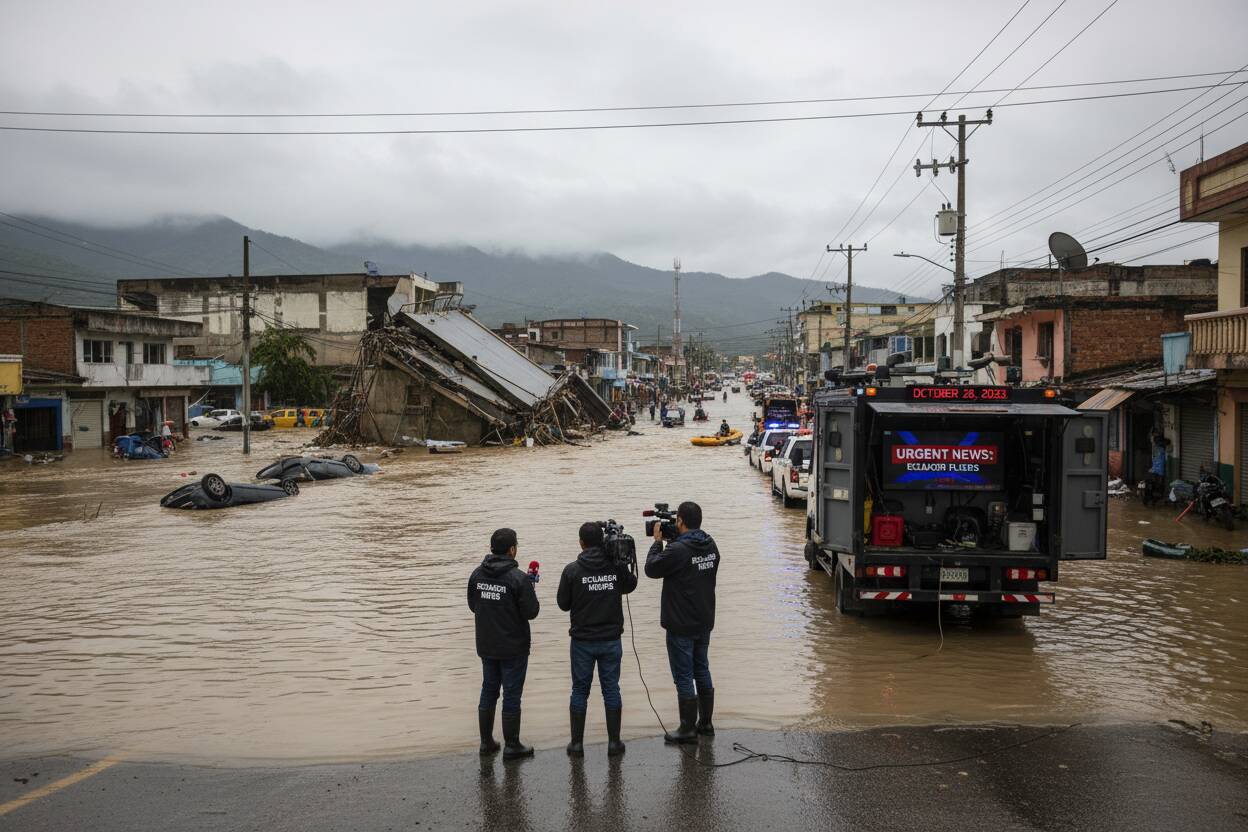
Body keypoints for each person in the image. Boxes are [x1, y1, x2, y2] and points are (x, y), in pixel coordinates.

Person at [556, 522, 638, 757]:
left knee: (580, 691)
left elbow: (563, 604)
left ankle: (577, 745)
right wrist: (623, 561)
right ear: (602, 542)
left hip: (582, 641)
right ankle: (614, 744)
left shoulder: (572, 570)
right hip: (611, 639)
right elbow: (631, 585)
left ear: (581, 543)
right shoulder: (615, 567)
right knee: (611, 688)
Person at [644, 501, 720, 744]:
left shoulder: (678, 551)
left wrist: (657, 542)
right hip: (704, 619)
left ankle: (687, 729)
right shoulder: (710, 544)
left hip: (681, 623)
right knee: (702, 669)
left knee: (684, 675)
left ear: (680, 522)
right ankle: (705, 724)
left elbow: (651, 569)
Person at [468, 528, 540, 760]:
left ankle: (486, 743)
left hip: (487, 644)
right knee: (511, 694)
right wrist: (530, 588)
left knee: (489, 690)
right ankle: (512, 745)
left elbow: (473, 605)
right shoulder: (518, 578)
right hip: (513, 648)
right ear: (512, 549)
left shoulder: (477, 574)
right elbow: (531, 612)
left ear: (491, 549)